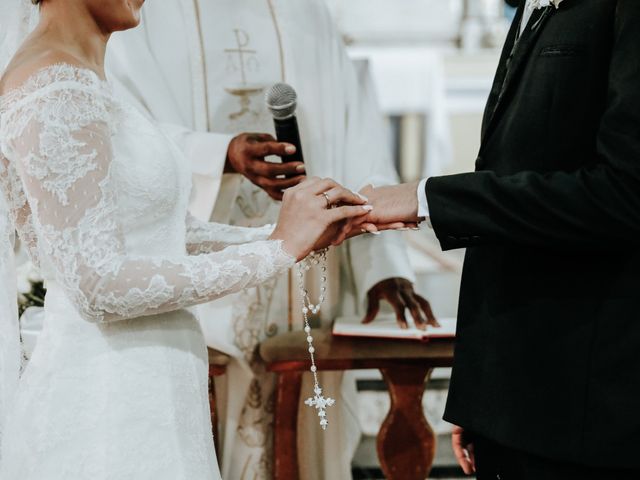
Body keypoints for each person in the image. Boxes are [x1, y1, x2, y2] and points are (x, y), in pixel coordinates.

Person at [0, 0, 378, 478]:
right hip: (108, 401)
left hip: (153, 389)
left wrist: (294, 233)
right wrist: (276, 250)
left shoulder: (84, 76)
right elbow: (97, 286)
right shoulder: (53, 88)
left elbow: (161, 235)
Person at [105, 2, 436, 478]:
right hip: (198, 291)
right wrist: (220, 153)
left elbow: (357, 132)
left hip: (311, 286)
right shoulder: (143, 9)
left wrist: (382, 262)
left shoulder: (305, 9)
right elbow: (120, 124)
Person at [357, 0, 640, 478]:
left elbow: (625, 195)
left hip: (587, 410)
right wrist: (483, 393)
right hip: (515, 395)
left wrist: (427, 198)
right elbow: (516, 176)